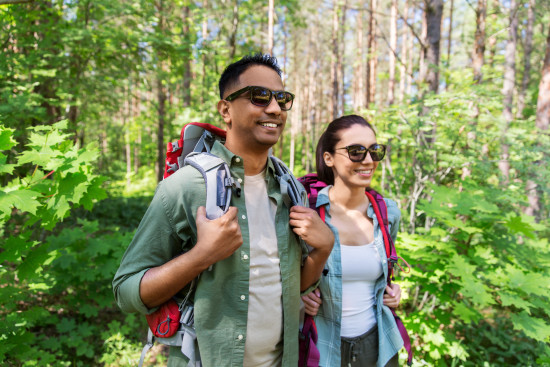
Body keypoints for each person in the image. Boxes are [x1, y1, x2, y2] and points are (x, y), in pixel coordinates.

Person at [112, 53, 334, 367]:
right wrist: (201, 256)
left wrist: (324, 248)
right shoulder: (185, 187)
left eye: (282, 99)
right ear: (226, 109)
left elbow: (292, 287)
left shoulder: (290, 191)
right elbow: (126, 291)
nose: (274, 108)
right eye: (259, 97)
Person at [300, 115, 404, 367]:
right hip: (322, 346)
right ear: (329, 158)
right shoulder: (308, 211)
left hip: (378, 346)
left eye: (374, 150)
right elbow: (284, 275)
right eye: (356, 151)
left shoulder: (389, 213)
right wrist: (299, 297)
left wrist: (393, 292)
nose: (368, 160)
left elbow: (383, 271)